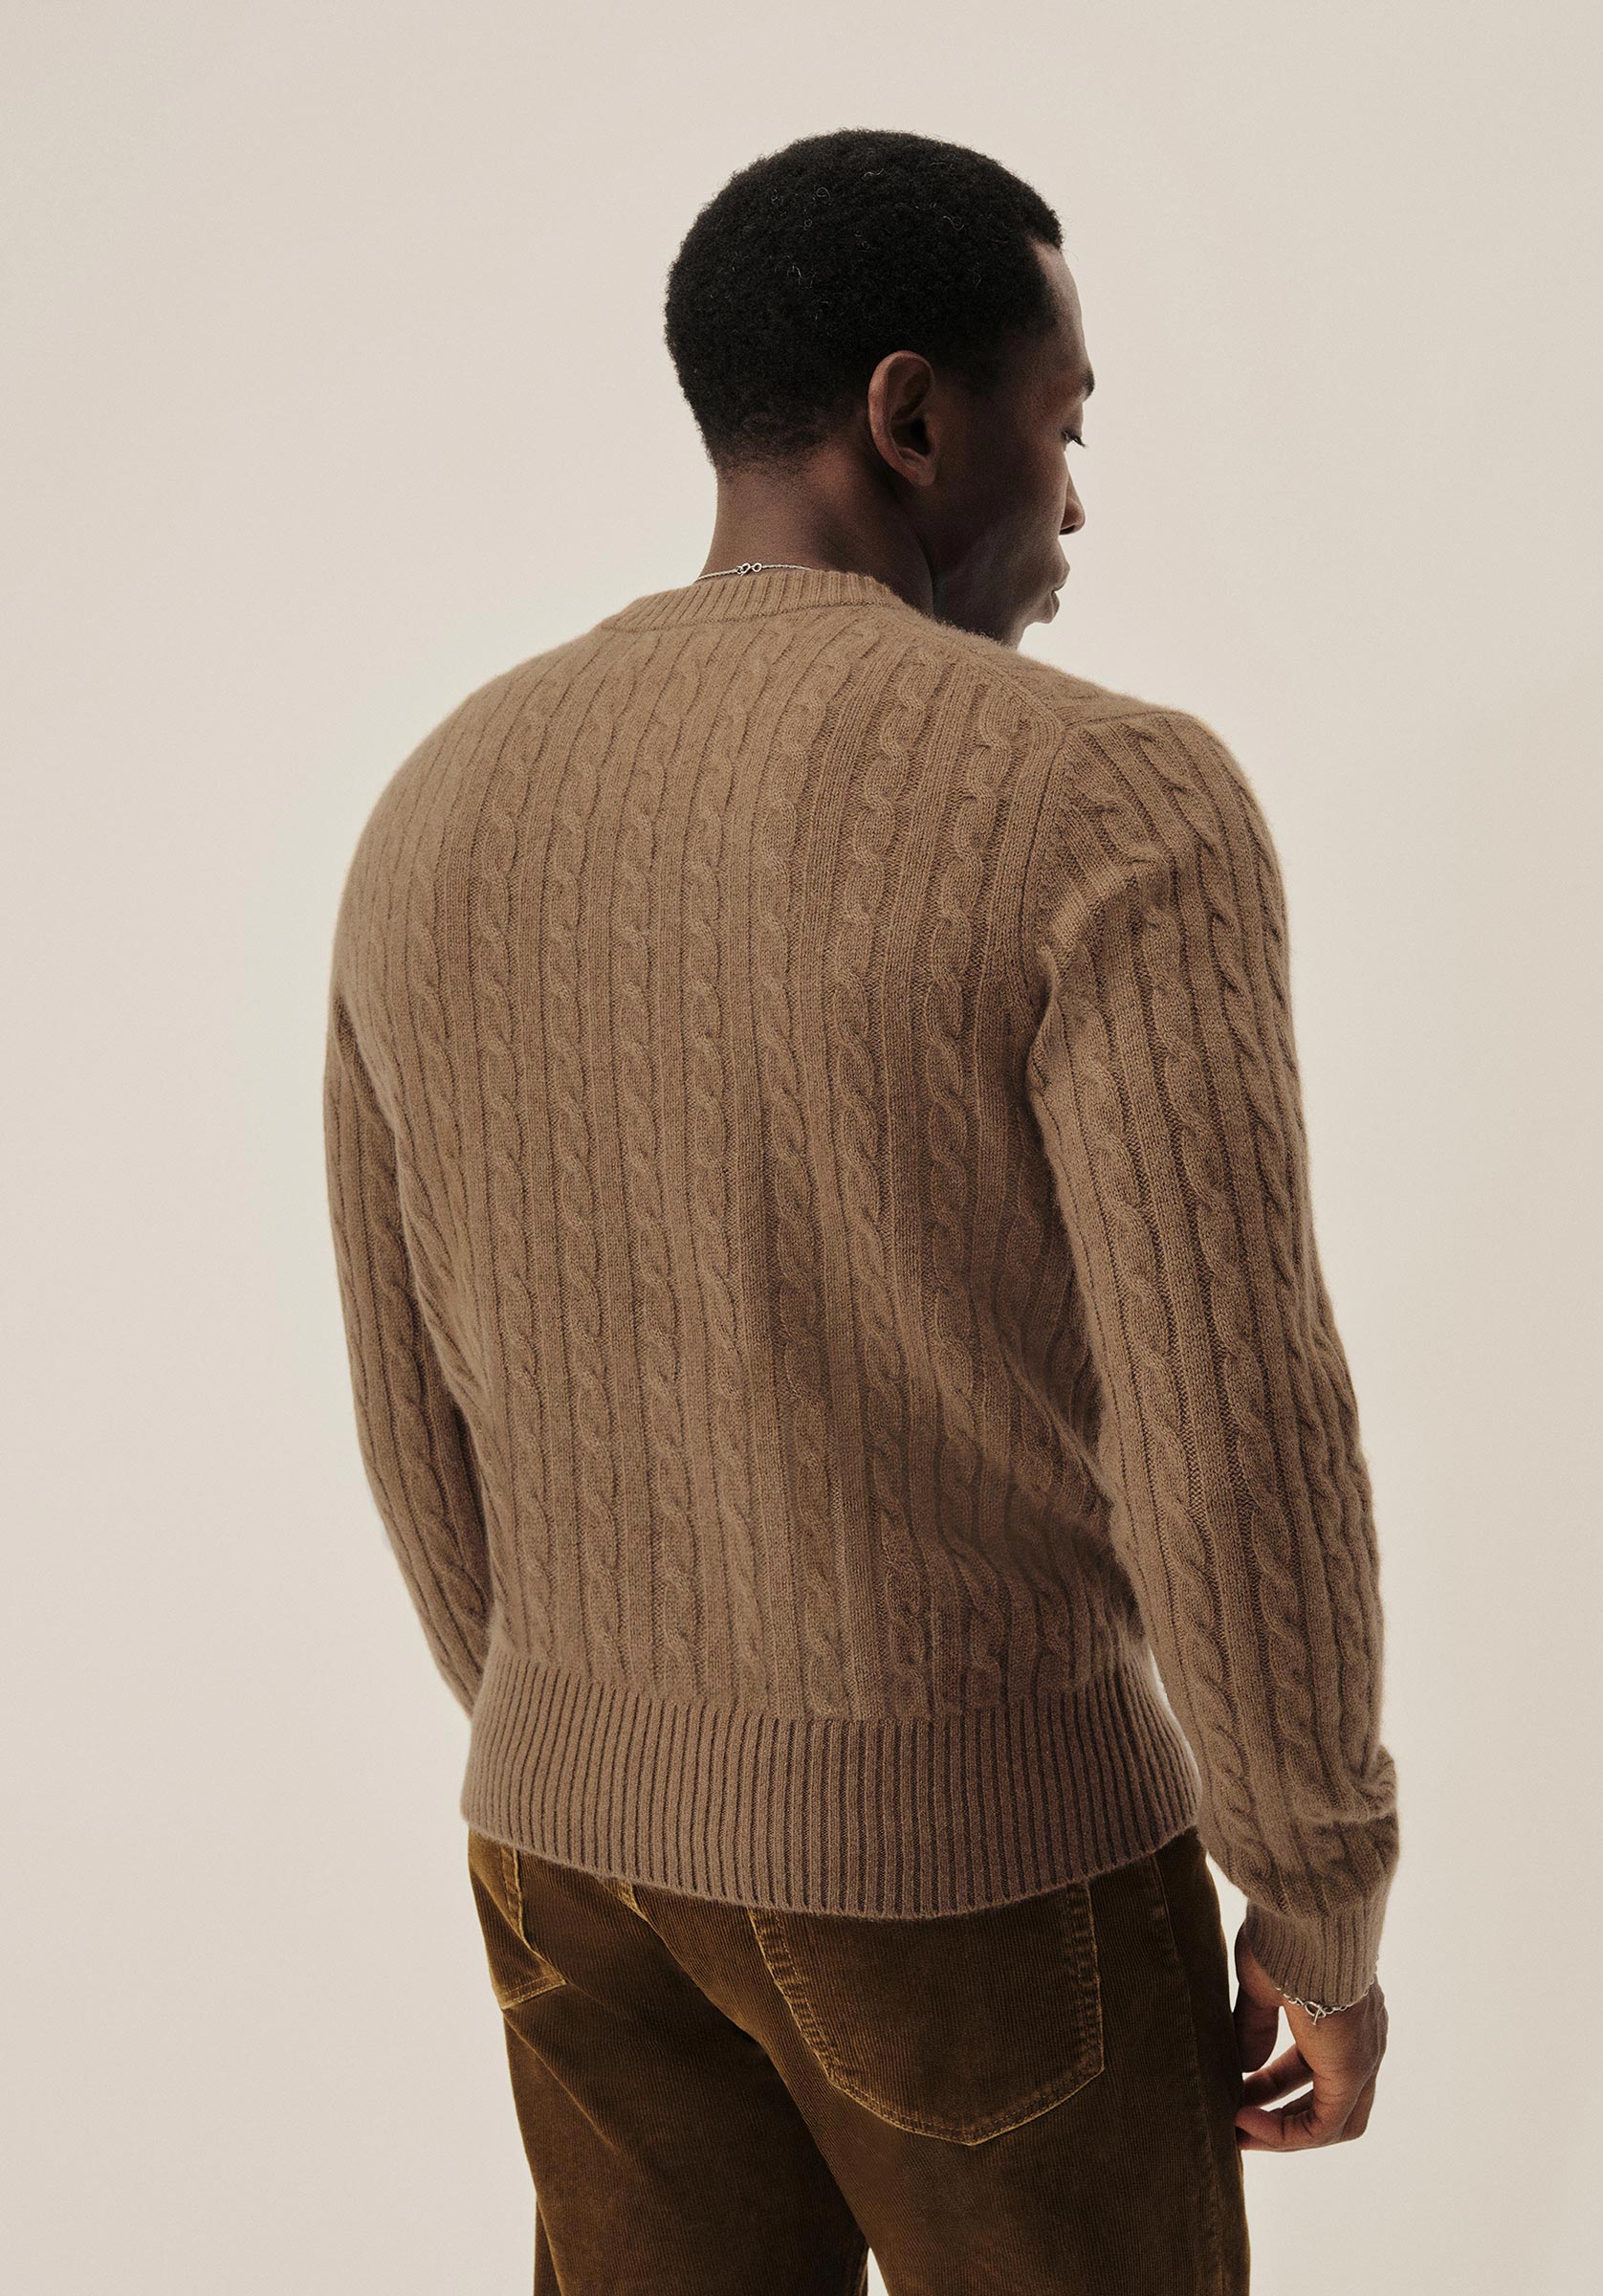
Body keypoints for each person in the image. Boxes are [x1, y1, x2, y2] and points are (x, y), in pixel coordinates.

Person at [321, 126, 1398, 2294]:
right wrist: (1315, 1884)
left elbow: (412, 1394)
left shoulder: (440, 799)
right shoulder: (1109, 802)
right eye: (1061, 423)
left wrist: (599, 1728)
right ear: (912, 417)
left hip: (571, 1855)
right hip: (977, 1870)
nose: (1074, 503)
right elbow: (1230, 1416)